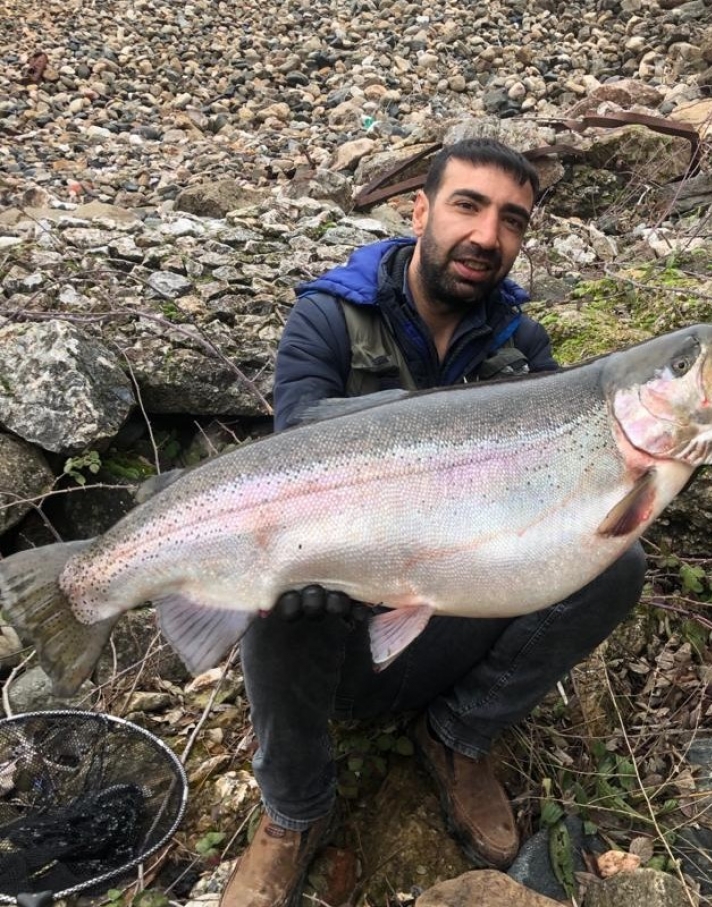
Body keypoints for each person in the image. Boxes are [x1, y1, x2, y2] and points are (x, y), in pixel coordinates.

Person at [220, 138, 646, 907]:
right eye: (468, 206)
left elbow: (555, 497)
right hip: (337, 622)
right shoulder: (328, 320)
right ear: (417, 210)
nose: (488, 235)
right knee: (276, 590)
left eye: (512, 220)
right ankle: (295, 808)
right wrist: (314, 568)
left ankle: (457, 734)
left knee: (618, 557)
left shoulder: (522, 347)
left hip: (452, 603)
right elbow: (284, 474)